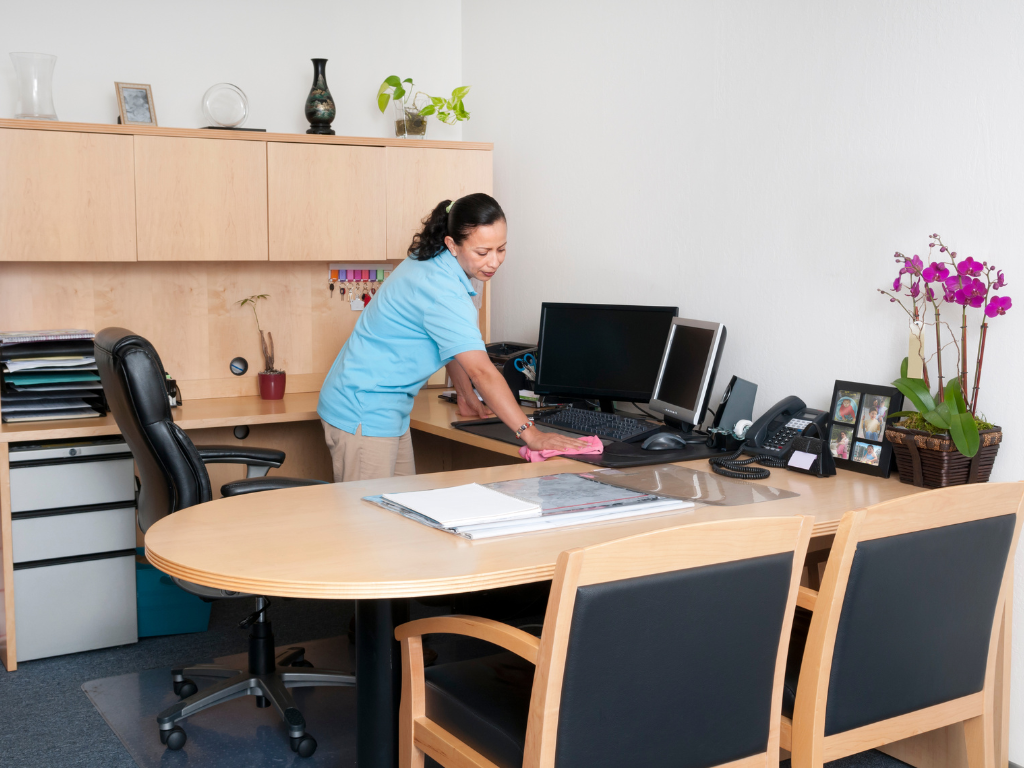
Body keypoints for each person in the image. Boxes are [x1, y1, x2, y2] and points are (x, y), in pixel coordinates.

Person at [317, 193, 587, 482]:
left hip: (383, 406)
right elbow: (482, 371)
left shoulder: (433, 261)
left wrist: (466, 395)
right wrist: (531, 435)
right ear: (452, 244)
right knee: (368, 523)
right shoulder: (442, 290)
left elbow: (451, 344)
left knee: (397, 517)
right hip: (364, 409)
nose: (494, 262)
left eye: (501, 249)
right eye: (482, 252)